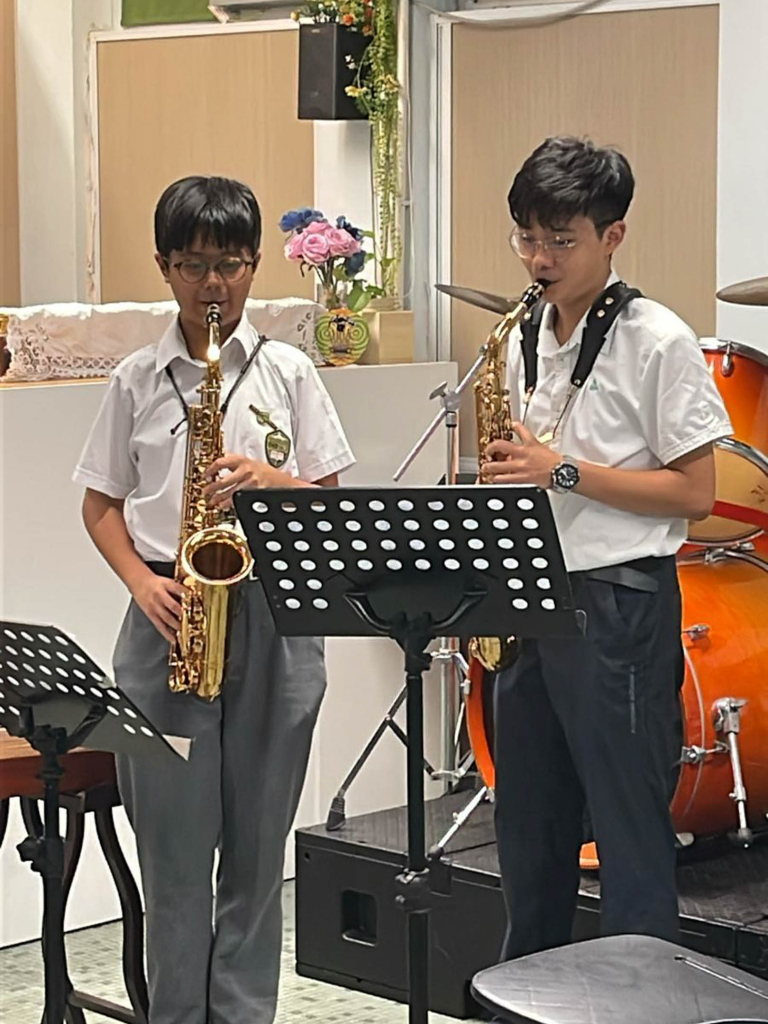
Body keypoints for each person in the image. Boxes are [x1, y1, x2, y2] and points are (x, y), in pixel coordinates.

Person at [73, 175, 355, 1024]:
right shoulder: (136, 378)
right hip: (166, 615)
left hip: (272, 616)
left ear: (255, 264)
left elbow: (332, 500)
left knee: (258, 858)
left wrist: (271, 480)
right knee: (173, 863)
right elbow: (100, 505)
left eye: (230, 264)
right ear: (165, 267)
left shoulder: (289, 371)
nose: (214, 285)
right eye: (194, 265)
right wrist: (141, 582)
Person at [481, 136, 732, 959]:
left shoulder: (658, 339)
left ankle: (641, 1000)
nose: (539, 259)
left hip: (617, 605)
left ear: (613, 235)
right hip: (528, 599)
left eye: (561, 240)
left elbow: (695, 493)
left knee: (628, 839)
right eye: (526, 238)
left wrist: (561, 472)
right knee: (529, 837)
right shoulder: (521, 334)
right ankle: (525, 998)